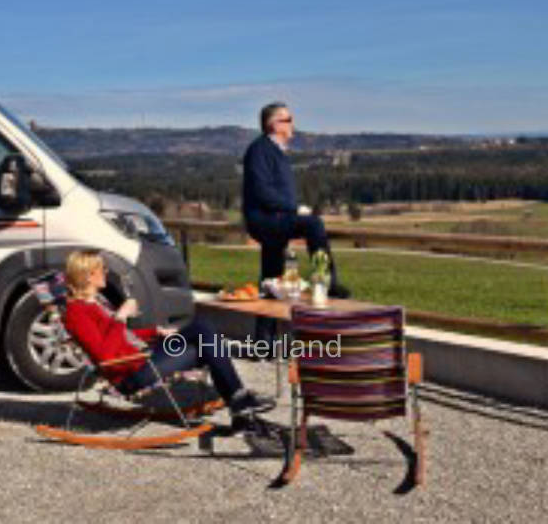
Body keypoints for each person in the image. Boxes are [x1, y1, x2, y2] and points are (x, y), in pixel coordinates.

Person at [61, 249, 274, 423]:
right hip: (131, 372)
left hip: (142, 357)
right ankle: (239, 404)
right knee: (207, 346)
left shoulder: (94, 303)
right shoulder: (76, 313)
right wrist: (121, 316)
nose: (106, 273)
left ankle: (239, 406)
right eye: (102, 269)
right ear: (89, 275)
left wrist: (154, 332)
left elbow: (122, 336)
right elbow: (107, 357)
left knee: (203, 329)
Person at [243, 102, 350, 345]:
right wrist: (295, 209)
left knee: (271, 278)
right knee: (313, 225)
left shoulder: (274, 151)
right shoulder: (260, 150)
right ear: (274, 125)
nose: (293, 124)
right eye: (288, 119)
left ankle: (263, 342)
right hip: (266, 220)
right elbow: (261, 191)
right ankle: (327, 283)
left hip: (272, 218)